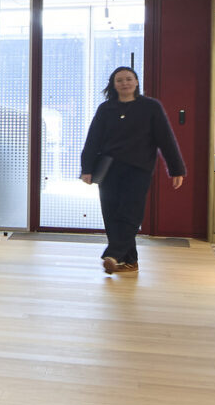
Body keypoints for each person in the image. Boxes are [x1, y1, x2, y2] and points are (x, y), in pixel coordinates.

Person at [78, 64, 186, 274]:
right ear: (113, 84)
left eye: (128, 79)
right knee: (111, 214)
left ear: (136, 82)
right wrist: (86, 168)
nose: (124, 83)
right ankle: (129, 261)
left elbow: (166, 139)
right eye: (119, 80)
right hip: (109, 169)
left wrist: (176, 169)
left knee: (130, 212)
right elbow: (92, 140)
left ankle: (113, 254)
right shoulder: (106, 109)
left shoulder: (151, 107)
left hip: (138, 169)